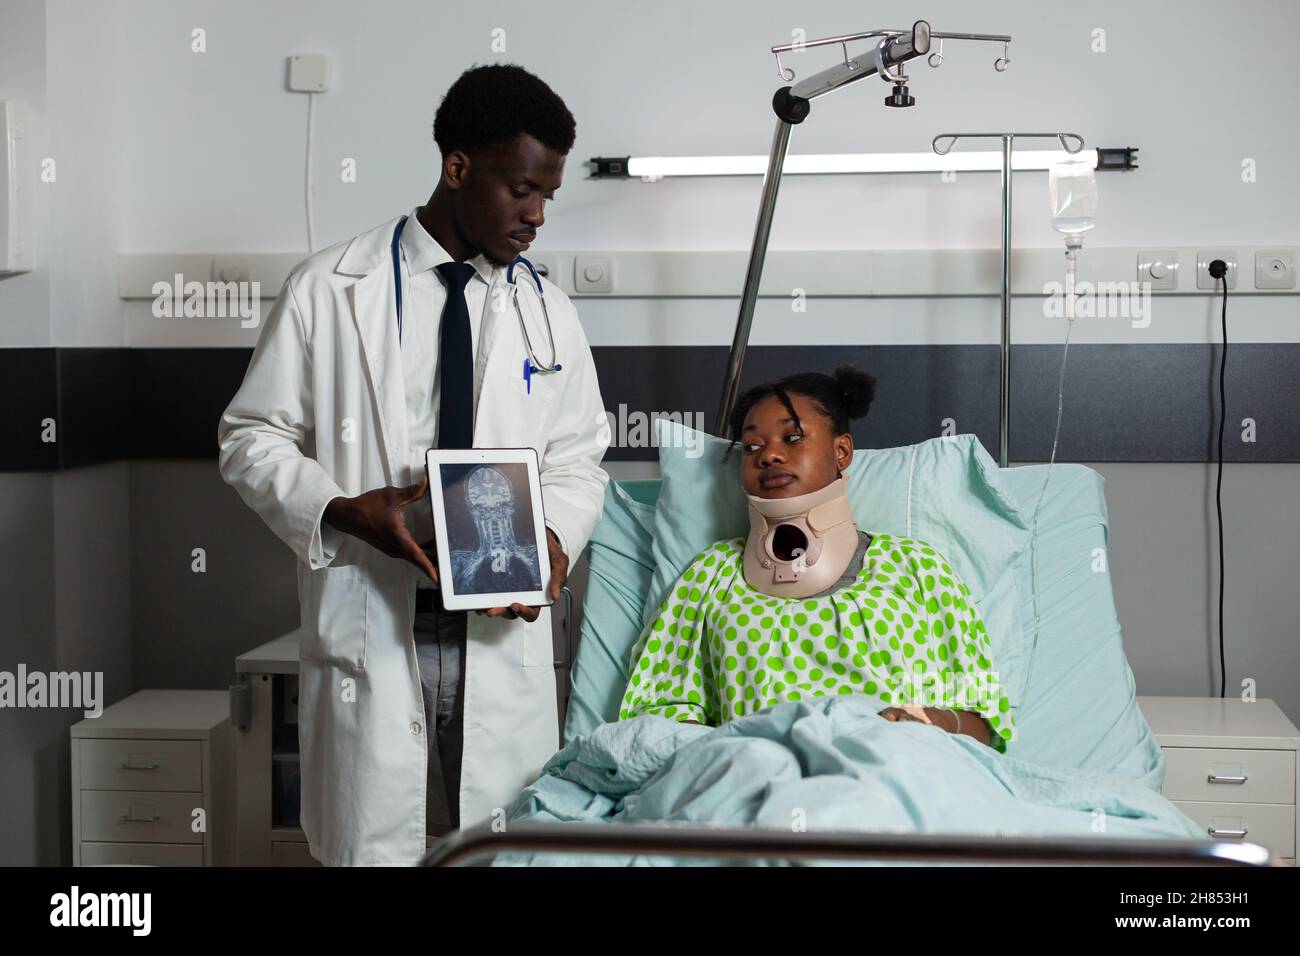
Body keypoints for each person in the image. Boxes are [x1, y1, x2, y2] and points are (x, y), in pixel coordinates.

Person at [218, 64, 610, 865]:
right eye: (521, 189)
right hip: (375, 609)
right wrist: (340, 511)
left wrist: (556, 547)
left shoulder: (550, 310)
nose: (537, 215)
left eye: (548, 197)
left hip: (499, 631)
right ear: (457, 168)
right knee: (369, 844)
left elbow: (578, 458)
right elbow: (250, 435)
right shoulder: (330, 289)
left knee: (503, 846)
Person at [619, 366, 1016, 753]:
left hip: (892, 773)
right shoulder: (710, 575)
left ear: (841, 451)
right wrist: (721, 752)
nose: (769, 455)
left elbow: (983, 721)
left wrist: (929, 721)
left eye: (792, 438)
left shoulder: (917, 568)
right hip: (751, 781)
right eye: (752, 447)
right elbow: (657, 714)